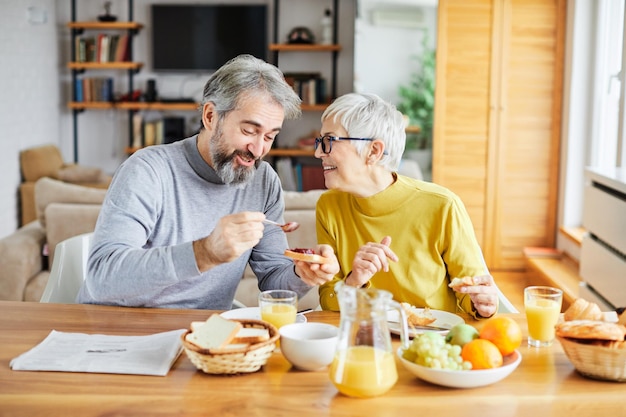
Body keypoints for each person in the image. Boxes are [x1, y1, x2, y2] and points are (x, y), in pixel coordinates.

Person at [77, 54, 339, 309]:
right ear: (211, 116)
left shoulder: (263, 181)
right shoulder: (148, 170)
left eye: (270, 136)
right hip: (116, 327)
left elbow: (273, 280)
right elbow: (104, 278)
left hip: (202, 336)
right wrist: (202, 253)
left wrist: (302, 273)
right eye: (249, 130)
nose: (259, 149)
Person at [315, 93, 498, 319]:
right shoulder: (328, 206)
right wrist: (354, 279)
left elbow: (472, 294)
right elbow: (327, 301)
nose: (318, 152)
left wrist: (483, 304)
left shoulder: (443, 206)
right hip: (366, 339)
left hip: (431, 340)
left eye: (329, 141)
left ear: (374, 151)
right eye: (320, 141)